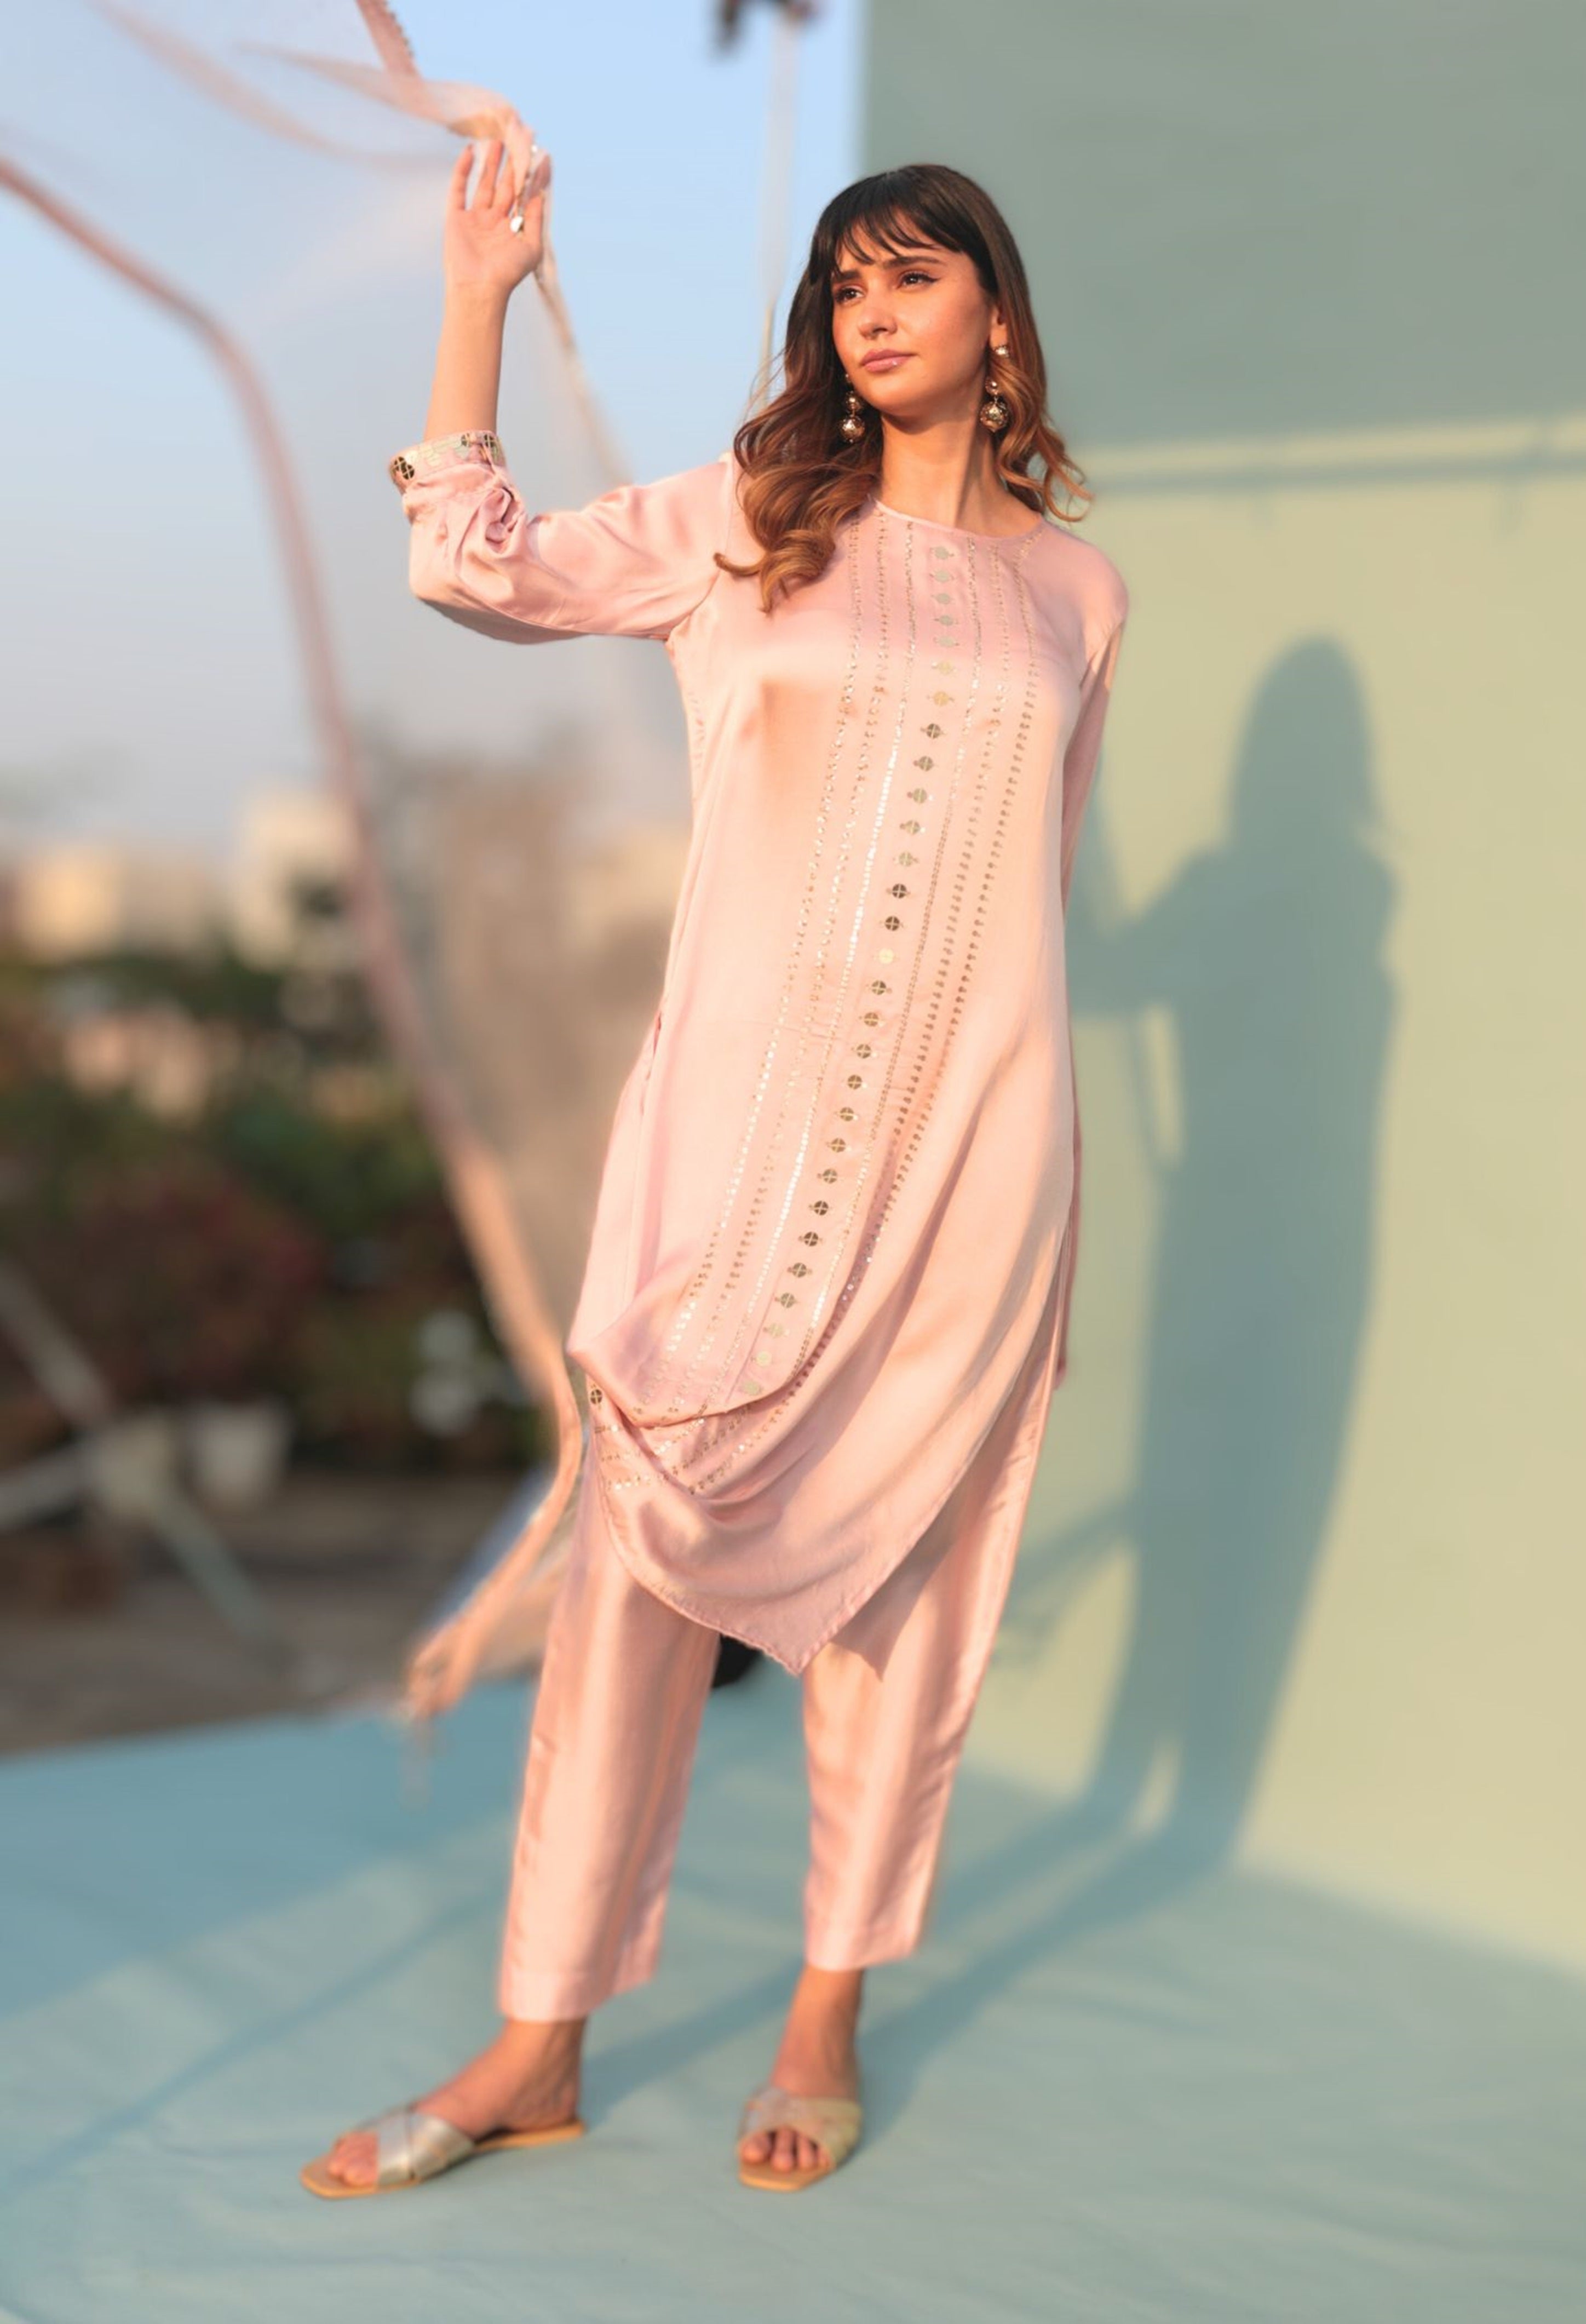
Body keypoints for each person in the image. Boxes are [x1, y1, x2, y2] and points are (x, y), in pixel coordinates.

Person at [301, 141, 1128, 2201]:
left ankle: (826, 2008)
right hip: (729, 1160)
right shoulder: (754, 521)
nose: (874, 309)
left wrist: (1042, 1184)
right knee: (631, 1584)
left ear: (999, 317)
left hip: (967, 1170)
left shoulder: (1079, 596)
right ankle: (538, 2037)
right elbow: (473, 563)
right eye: (846, 283)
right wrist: (480, 294)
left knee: (908, 1598)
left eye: (913, 274)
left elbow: (1038, 894)